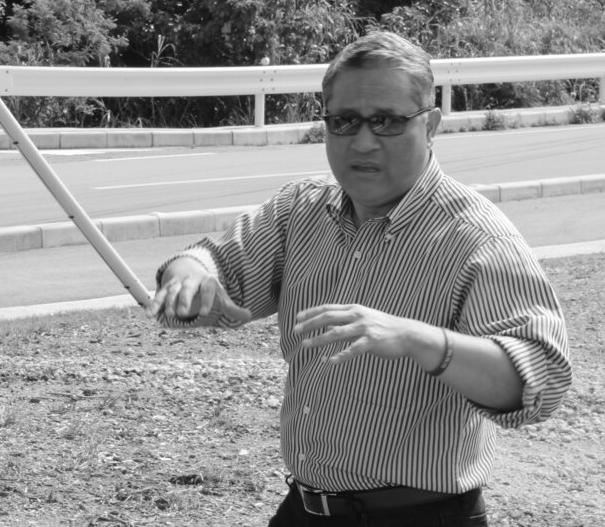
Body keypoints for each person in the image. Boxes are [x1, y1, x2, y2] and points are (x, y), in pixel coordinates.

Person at [151, 31, 571, 526]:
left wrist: (419, 340)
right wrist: (191, 275)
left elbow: (540, 379)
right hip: (306, 510)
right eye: (345, 120)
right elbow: (217, 262)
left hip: (422, 516)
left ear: (431, 124)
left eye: (388, 121)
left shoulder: (476, 237)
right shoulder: (301, 210)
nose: (363, 141)